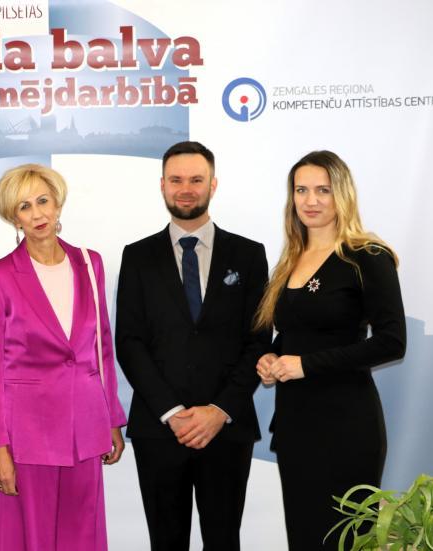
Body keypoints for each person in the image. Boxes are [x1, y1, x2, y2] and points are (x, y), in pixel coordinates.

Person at [115, 141, 270, 551]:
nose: (186, 189)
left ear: (213, 185)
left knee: (224, 540)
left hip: (227, 427)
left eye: (196, 180)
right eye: (177, 180)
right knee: (166, 542)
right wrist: (173, 413)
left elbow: (259, 340)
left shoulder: (249, 254)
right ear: (162, 185)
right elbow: (129, 342)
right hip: (159, 428)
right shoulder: (137, 256)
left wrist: (219, 410)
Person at [254, 150, 406, 550]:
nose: (311, 200)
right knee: (304, 539)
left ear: (342, 194)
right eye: (301, 190)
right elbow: (297, 334)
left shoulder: (367, 256)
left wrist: (307, 365)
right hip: (294, 426)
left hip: (346, 427)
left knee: (345, 542)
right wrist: (272, 357)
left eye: (323, 190)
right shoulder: (291, 259)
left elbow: (392, 341)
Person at [0, 163, 127, 551]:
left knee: (84, 539)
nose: (37, 214)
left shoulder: (90, 263)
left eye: (43, 201)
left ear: (58, 203)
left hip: (86, 428)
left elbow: (102, 348)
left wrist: (112, 419)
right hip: (27, 437)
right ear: (14, 217)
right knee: (32, 540)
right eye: (24, 206)